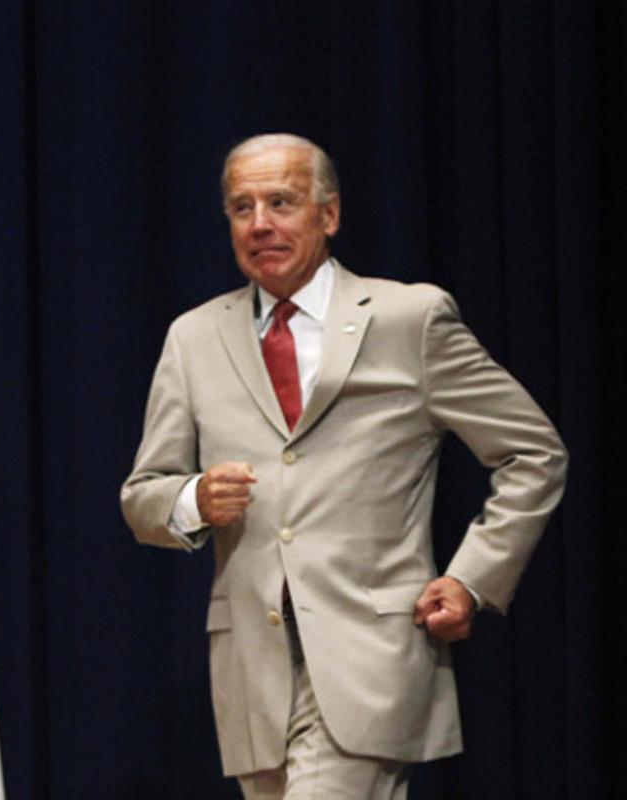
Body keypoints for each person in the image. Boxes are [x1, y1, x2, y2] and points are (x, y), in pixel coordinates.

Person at [119, 133, 566, 799]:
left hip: (369, 657)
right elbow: (142, 496)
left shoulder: (408, 319)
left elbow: (534, 453)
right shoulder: (195, 336)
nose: (259, 223)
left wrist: (472, 578)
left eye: (281, 202)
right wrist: (193, 501)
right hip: (253, 672)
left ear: (328, 214)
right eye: (241, 208)